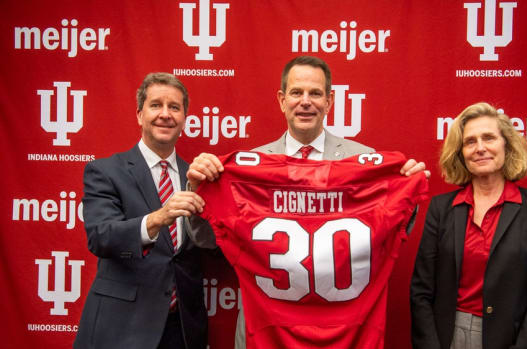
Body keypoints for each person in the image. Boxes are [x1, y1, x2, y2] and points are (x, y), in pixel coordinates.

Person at [186, 55, 429, 349]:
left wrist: (407, 191)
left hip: (343, 332)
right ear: (281, 100)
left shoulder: (363, 160)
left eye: (315, 93)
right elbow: (208, 241)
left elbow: (389, 233)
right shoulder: (250, 167)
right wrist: (201, 191)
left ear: (329, 102)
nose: (305, 101)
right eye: (296, 92)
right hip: (266, 332)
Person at [74, 73, 213, 349]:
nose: (165, 114)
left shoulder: (197, 177)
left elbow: (212, 245)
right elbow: (101, 236)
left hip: (183, 330)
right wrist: (159, 217)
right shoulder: (104, 171)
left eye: (174, 107)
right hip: (122, 327)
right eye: (156, 105)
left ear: (184, 118)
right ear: (139, 115)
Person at [410, 102, 527, 349]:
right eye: (470, 142)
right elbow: (421, 291)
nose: (480, 148)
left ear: (507, 145)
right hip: (447, 336)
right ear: (460, 152)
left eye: (489, 138)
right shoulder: (441, 208)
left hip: (508, 339)